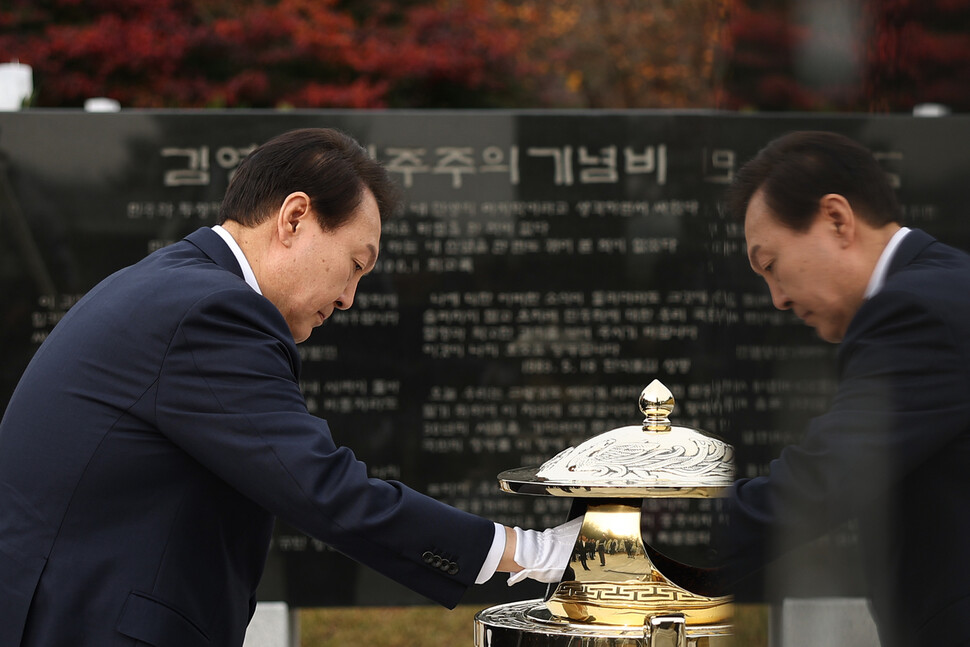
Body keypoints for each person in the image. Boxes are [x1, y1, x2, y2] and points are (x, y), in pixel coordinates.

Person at [0, 128, 579, 647]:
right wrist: (534, 554)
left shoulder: (173, 285)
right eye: (355, 264)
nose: (351, 297)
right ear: (295, 217)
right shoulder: (211, 311)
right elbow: (321, 488)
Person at [716, 130, 970, 647]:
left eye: (771, 265)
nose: (777, 300)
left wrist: (625, 545)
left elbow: (820, 483)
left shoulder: (918, 309)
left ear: (836, 218)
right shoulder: (942, 285)